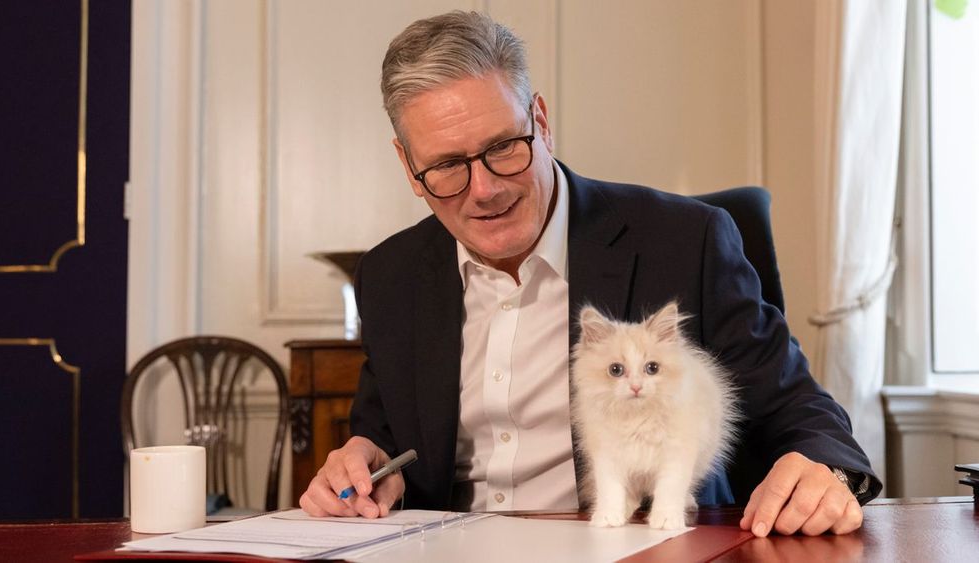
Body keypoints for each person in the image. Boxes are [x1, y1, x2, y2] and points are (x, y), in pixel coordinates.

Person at [300, 10, 881, 537]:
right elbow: (382, 443)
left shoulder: (686, 241)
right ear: (408, 166)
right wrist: (366, 465)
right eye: (448, 166)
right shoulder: (389, 276)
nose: (485, 189)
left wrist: (822, 468)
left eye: (504, 146)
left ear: (541, 121)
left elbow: (800, 413)